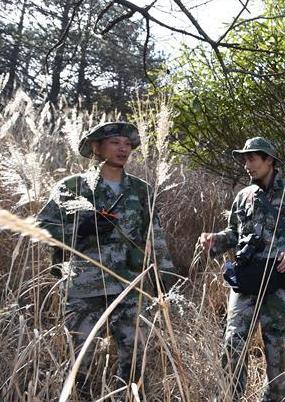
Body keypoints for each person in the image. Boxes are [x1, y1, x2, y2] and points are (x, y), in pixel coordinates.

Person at [37, 121, 178, 397]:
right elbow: (41, 229)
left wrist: (164, 276)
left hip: (129, 286)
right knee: (81, 361)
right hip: (84, 287)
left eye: (127, 144)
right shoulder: (72, 187)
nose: (123, 148)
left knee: (135, 359)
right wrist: (81, 228)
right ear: (96, 147)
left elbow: (155, 235)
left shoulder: (140, 190)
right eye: (115, 142)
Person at [200, 137, 285, 402]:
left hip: (280, 282)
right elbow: (233, 233)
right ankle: (231, 396)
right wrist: (213, 240)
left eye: (252, 158)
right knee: (232, 343)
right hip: (247, 279)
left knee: (277, 348)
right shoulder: (244, 196)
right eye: (245, 159)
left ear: (270, 161)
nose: (247, 165)